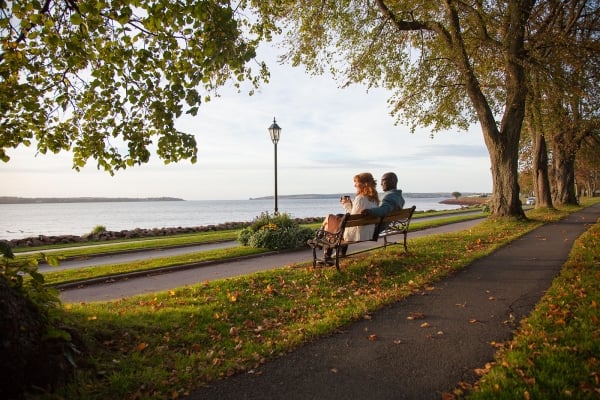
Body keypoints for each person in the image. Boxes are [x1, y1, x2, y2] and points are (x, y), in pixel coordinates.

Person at [321, 172, 379, 264]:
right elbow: (355, 216)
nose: (354, 185)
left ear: (365, 184)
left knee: (330, 218)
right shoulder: (374, 199)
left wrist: (346, 205)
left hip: (357, 234)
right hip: (367, 231)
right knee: (339, 216)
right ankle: (338, 251)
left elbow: (351, 217)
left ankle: (326, 253)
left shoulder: (360, 198)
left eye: (356, 182)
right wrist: (350, 205)